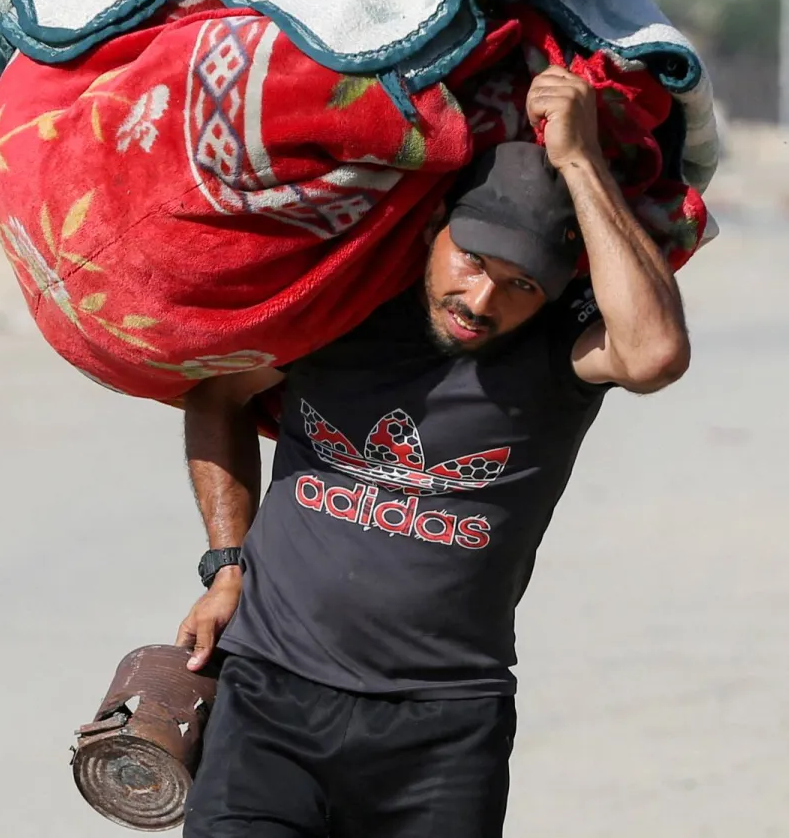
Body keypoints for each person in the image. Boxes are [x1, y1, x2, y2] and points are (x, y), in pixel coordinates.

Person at [175, 67, 691, 837]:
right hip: (271, 700)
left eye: (520, 284)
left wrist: (580, 159)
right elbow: (216, 393)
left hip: (445, 730)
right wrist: (226, 566)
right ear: (431, 228)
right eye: (474, 260)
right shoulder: (337, 317)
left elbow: (653, 353)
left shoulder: (557, 357)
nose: (482, 301)